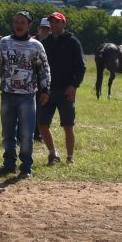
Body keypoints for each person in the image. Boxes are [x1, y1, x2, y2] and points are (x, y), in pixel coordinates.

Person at [0, 10, 50, 178]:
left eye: (22, 22)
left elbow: (44, 69)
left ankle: (26, 167)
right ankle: (9, 164)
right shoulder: (4, 43)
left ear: (29, 25)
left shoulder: (36, 46)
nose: (19, 25)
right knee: (7, 133)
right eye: (16, 21)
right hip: (7, 94)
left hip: (27, 96)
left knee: (27, 134)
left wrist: (45, 90)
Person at [37, 11, 85, 167]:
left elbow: (81, 67)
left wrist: (74, 86)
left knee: (68, 126)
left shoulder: (73, 42)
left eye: (57, 22)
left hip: (66, 90)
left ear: (64, 24)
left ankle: (70, 157)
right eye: (52, 22)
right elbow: (40, 67)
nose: (54, 25)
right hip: (48, 91)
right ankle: (53, 153)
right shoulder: (45, 43)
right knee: (42, 124)